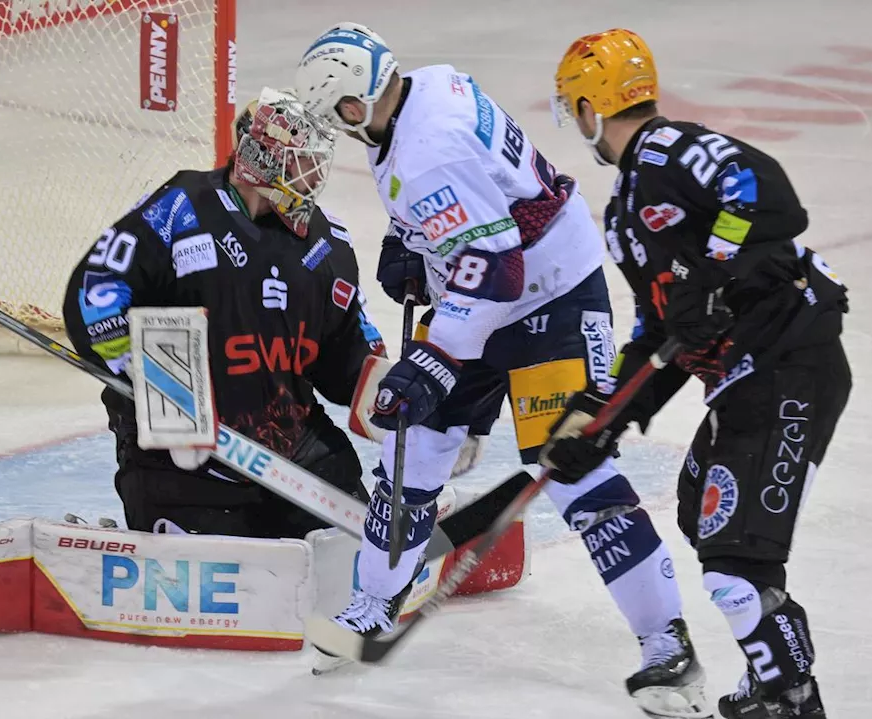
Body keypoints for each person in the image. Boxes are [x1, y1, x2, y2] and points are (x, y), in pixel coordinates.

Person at [294, 23, 714, 714]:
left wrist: (432, 360)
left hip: (546, 292)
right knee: (413, 443)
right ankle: (376, 597)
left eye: (335, 114)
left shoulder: (425, 150)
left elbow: (496, 269)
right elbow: (483, 200)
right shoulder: (424, 86)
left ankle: (667, 644)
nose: (337, 129)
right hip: (485, 288)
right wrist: (408, 239)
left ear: (352, 103)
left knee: (573, 465)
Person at [543, 29, 852, 719]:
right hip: (747, 380)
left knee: (733, 560)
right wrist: (601, 417)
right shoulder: (626, 214)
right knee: (706, 520)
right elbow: (663, 336)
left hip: (788, 365)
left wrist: (713, 269)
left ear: (592, 106)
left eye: (576, 107)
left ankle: (792, 698)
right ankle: (777, 678)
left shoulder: (666, 149)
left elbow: (764, 192)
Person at [62, 88, 386, 541]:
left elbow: (346, 353)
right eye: (300, 162)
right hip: (182, 459)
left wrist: (394, 405)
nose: (313, 176)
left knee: (352, 542)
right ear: (260, 159)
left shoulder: (328, 243)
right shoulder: (180, 207)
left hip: (294, 449)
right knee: (214, 551)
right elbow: (95, 290)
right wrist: (159, 388)